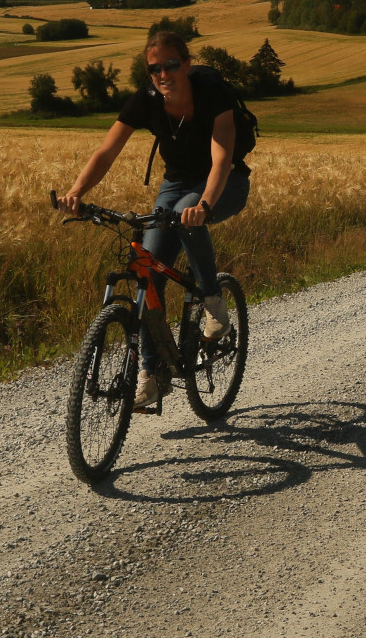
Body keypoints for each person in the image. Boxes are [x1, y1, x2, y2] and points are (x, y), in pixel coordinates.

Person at [56, 30, 250, 410]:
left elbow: (222, 154)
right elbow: (106, 151)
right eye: (155, 68)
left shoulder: (212, 92)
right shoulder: (147, 101)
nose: (164, 73)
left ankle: (214, 304)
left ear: (187, 64)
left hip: (224, 182)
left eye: (172, 64)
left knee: (186, 218)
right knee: (148, 268)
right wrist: (77, 192)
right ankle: (150, 373)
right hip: (176, 183)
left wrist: (206, 204)